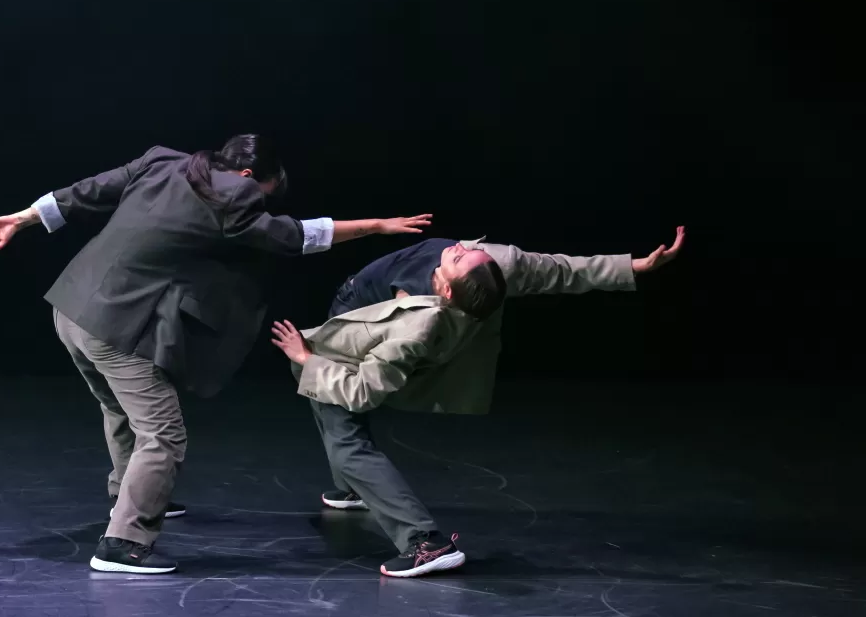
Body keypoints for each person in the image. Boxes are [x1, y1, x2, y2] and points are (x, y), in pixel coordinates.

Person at [0, 134, 432, 574]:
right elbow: (293, 237)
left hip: (71, 307)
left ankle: (127, 498)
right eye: (264, 192)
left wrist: (22, 218)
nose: (261, 202)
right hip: (113, 325)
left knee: (118, 407)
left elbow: (87, 192)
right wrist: (376, 226)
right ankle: (124, 544)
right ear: (247, 173)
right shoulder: (235, 195)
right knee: (163, 434)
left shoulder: (162, 160)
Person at [271, 227, 684, 578]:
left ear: (444, 288)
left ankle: (424, 541)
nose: (463, 247)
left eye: (459, 258)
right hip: (357, 308)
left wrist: (308, 360)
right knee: (335, 416)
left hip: (361, 334)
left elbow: (362, 389)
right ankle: (351, 488)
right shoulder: (492, 263)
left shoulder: (414, 325)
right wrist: (634, 266)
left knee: (343, 431)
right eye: (468, 251)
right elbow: (558, 270)